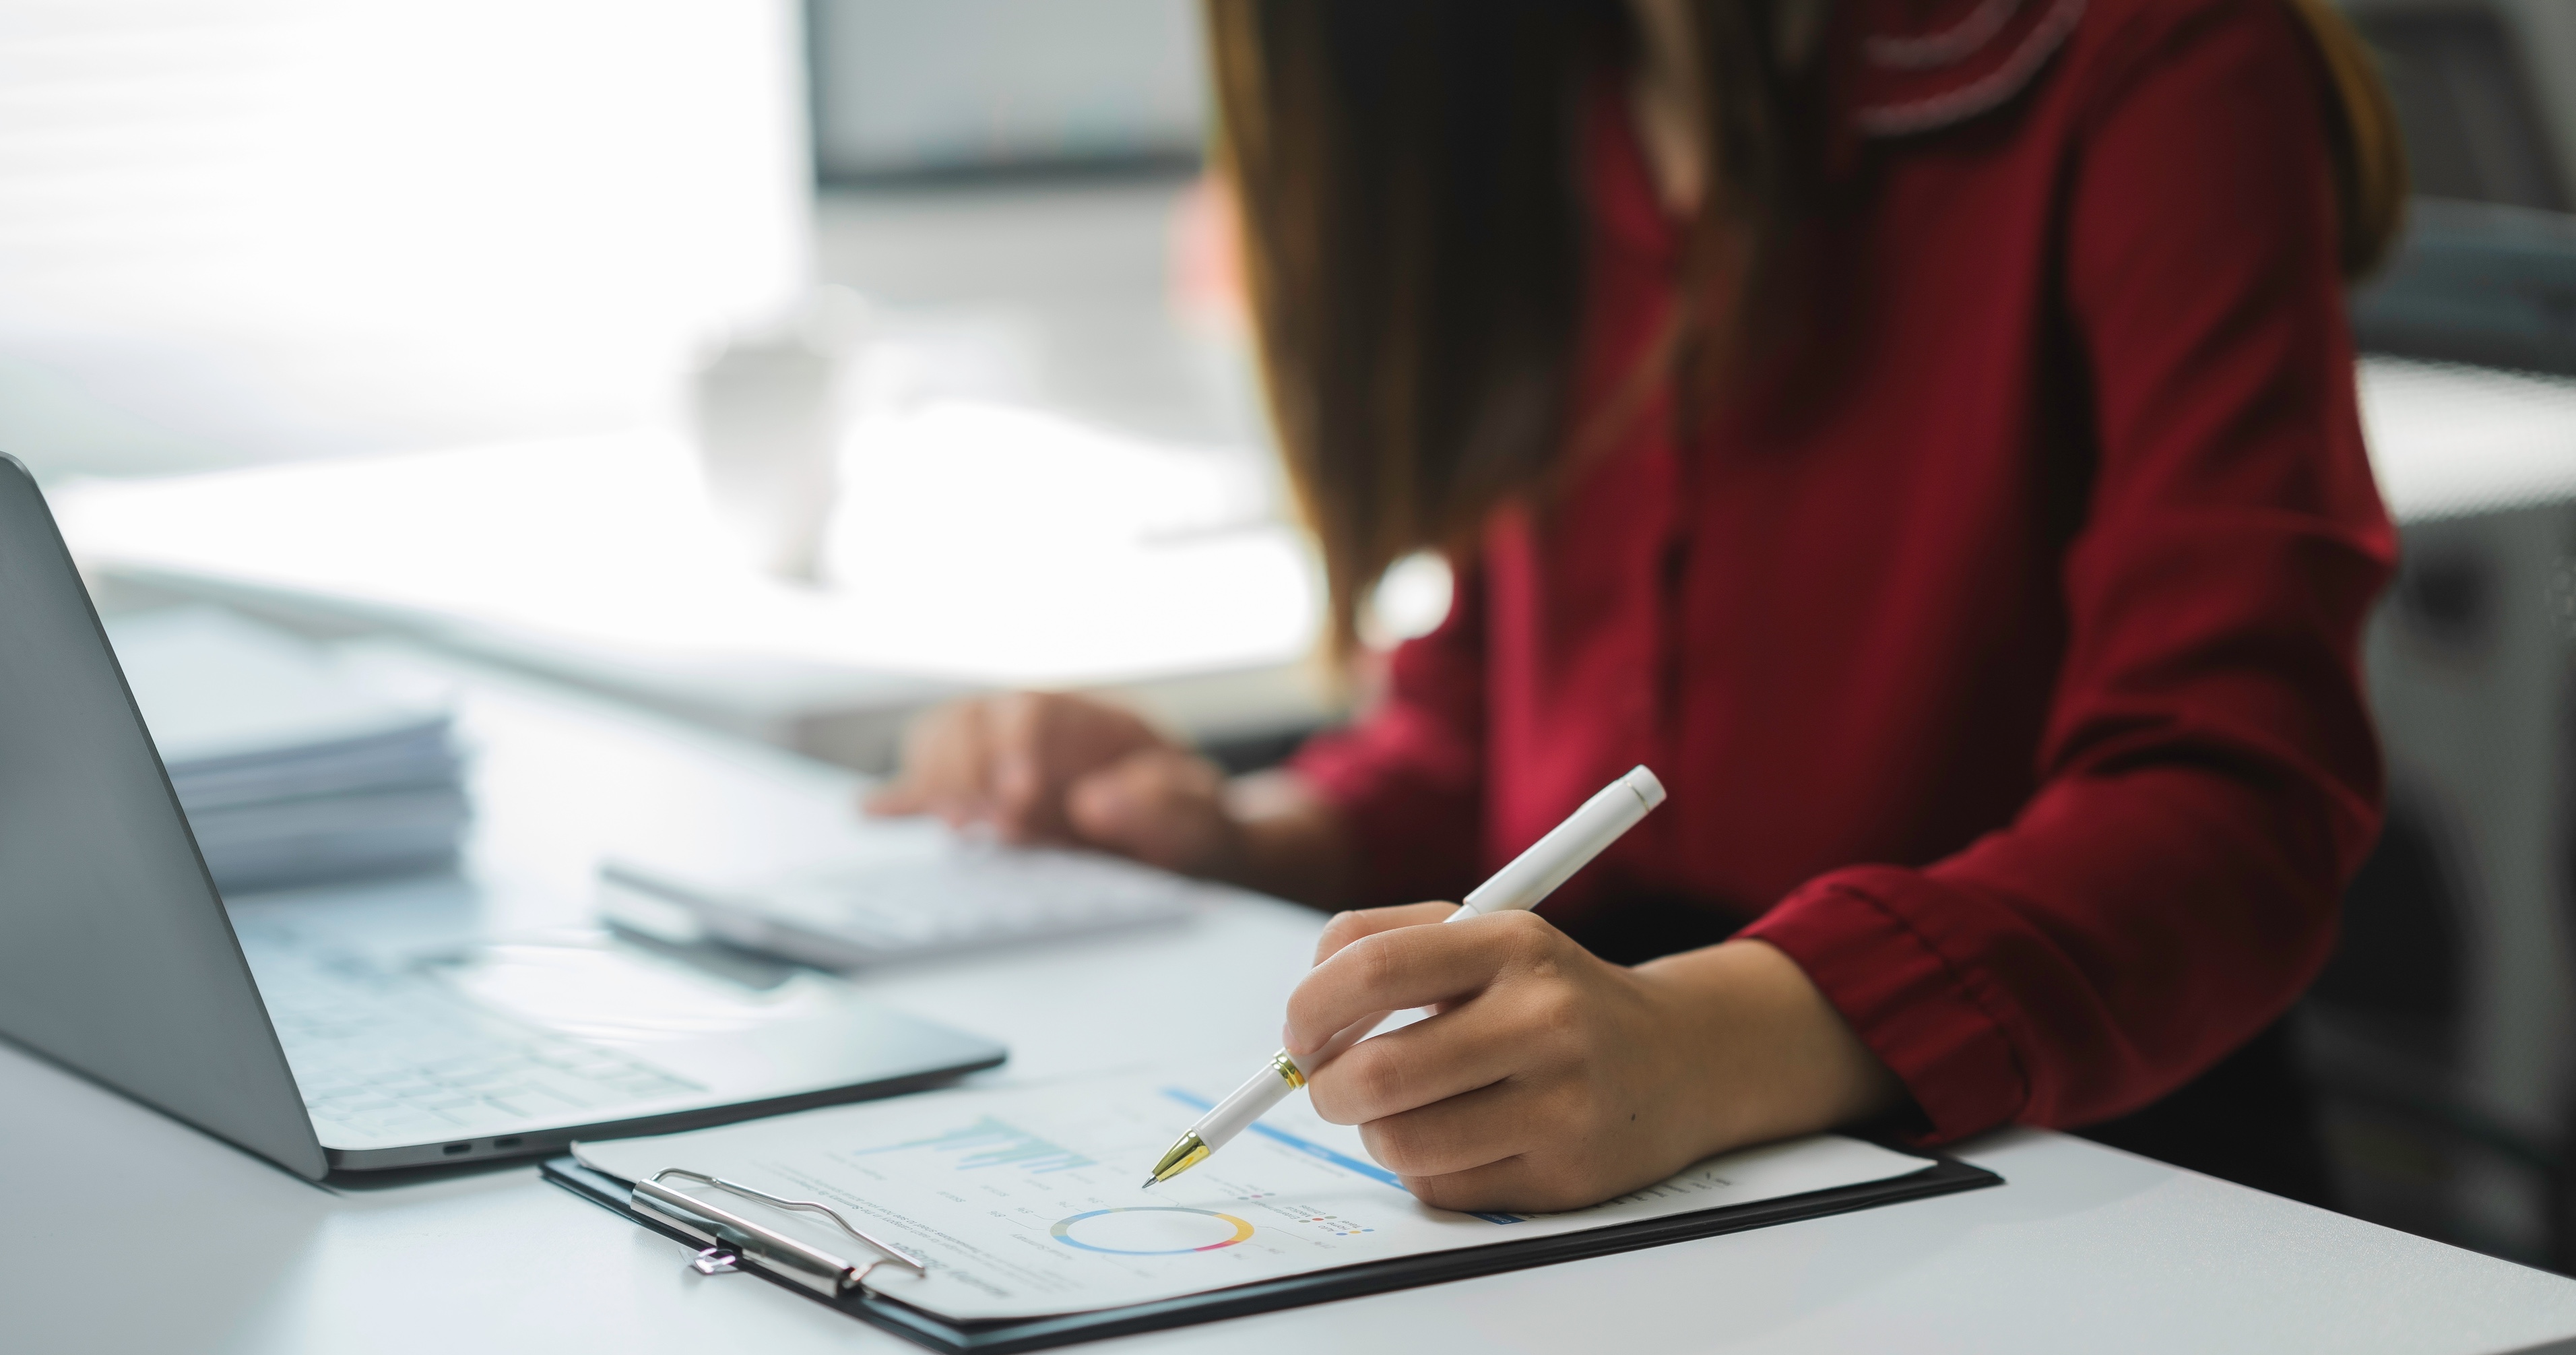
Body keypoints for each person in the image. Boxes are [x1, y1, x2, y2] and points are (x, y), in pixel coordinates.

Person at [870, 0, 2402, 1223]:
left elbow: (2233, 809)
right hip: (1654, 1231)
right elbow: (1486, 736)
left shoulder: (2162, 53)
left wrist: (1701, 1044)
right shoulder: (1560, 93)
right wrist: (1240, 832)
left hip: (2096, 1227)